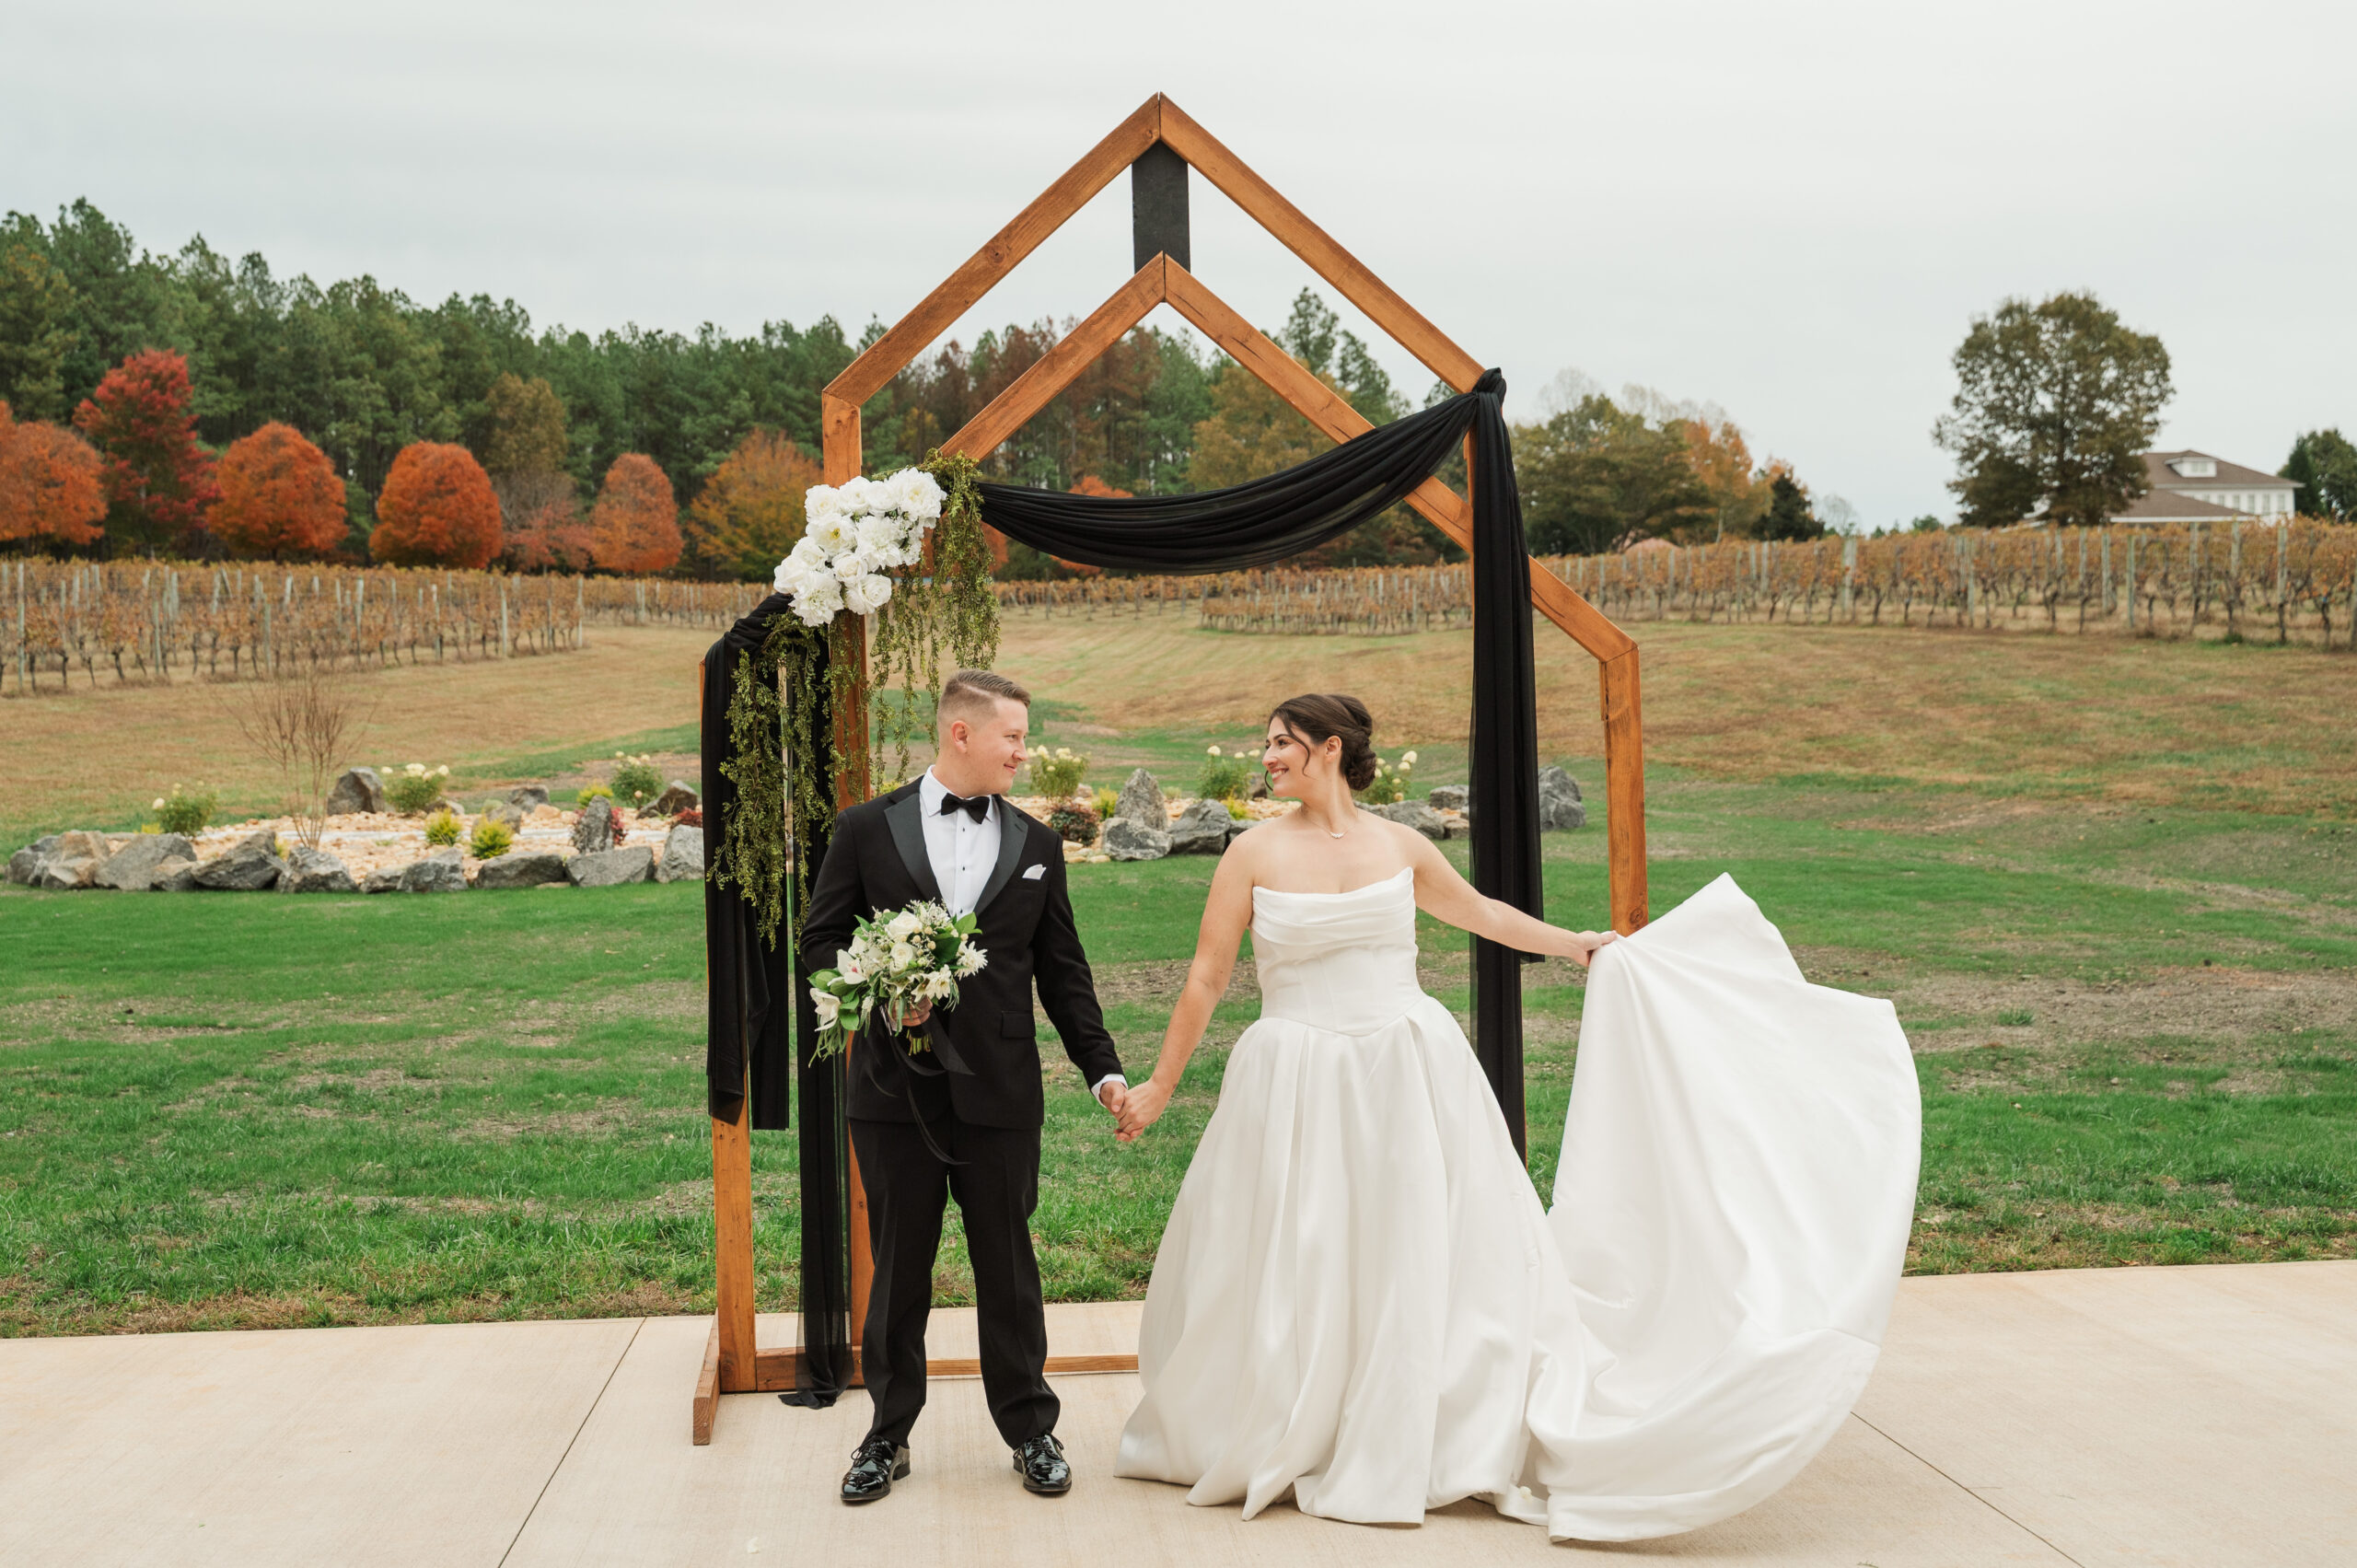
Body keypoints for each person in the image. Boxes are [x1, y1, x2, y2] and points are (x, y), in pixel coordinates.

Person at [1113, 693, 1922, 1541]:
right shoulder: (1251, 852)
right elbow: (1208, 976)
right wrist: (1162, 1086)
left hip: (1406, 1068)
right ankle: (1289, 1411)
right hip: (1294, 1075)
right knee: (1300, 1244)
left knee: (1413, 1245)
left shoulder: (1402, 844)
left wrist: (1573, 942)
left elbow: (1481, 913)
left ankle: (1419, 1422)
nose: (1267, 757)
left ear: (1327, 748)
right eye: (1267, 744)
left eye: (1281, 744)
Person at [799, 668, 1129, 1506]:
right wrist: (879, 983)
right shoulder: (864, 829)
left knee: (1008, 1268)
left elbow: (1063, 972)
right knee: (899, 1268)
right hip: (892, 1092)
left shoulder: (1037, 846)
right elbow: (819, 942)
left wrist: (1103, 1069)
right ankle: (886, 1434)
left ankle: (1031, 1429)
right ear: (962, 735)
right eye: (1014, 735)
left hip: (1001, 1094)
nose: (1025, 749)